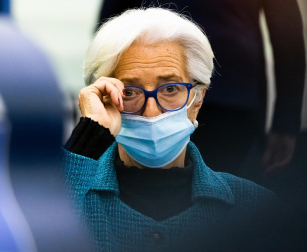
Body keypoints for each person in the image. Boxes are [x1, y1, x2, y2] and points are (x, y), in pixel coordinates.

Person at [63, 7, 288, 252]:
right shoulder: (73, 197)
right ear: (105, 98)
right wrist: (90, 132)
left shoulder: (257, 209)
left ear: (197, 99)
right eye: (129, 92)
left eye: (170, 89)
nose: (151, 111)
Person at [97, 0, 306, 184]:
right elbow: (288, 33)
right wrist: (285, 124)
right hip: (232, 93)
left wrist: (286, 123)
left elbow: (108, 29)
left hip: (223, 96)